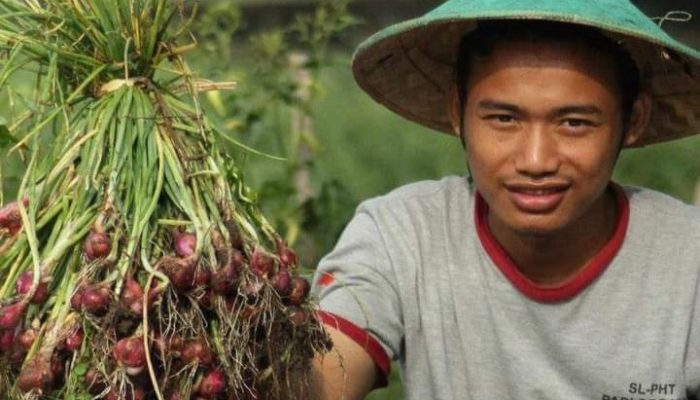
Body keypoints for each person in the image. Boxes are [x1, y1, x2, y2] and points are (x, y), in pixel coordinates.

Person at [309, 0, 700, 399]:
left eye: (574, 123)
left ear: (631, 121)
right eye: (504, 119)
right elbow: (325, 374)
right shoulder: (400, 236)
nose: (535, 161)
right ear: (457, 113)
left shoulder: (688, 259)